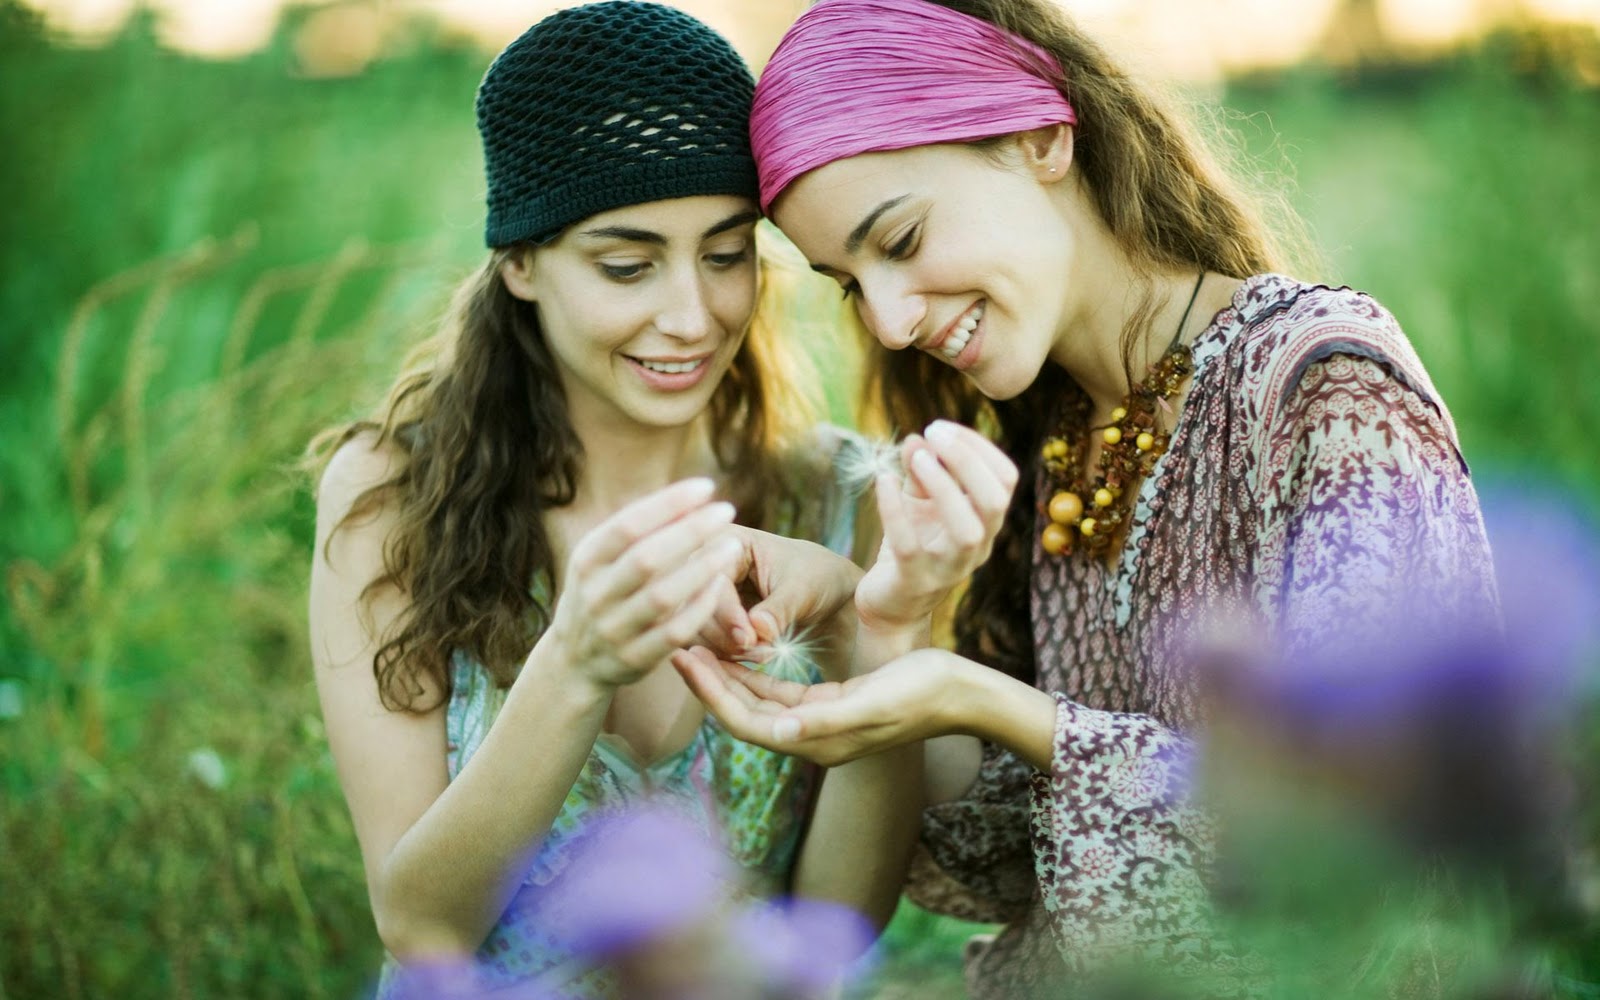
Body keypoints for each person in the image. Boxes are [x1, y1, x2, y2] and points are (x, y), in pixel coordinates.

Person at [672, 0, 1502, 995]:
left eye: (899, 238)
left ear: (1041, 137)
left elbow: (1355, 839)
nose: (888, 324)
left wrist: (987, 701)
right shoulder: (1052, 434)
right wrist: (879, 628)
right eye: (850, 283)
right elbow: (1011, 850)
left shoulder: (1321, 386)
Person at [305, 4, 997, 995]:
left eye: (725, 255)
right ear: (520, 262)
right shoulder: (390, 497)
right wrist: (574, 665)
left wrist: (875, 630)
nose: (692, 314)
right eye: (627, 265)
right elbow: (420, 925)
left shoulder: (841, 501)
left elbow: (836, 926)